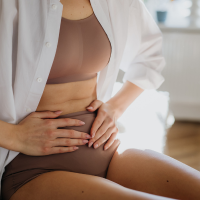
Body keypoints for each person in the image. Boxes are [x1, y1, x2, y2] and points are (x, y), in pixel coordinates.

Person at [0, 0, 200, 199]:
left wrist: (115, 107)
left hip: (107, 153)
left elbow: (149, 57)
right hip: (32, 169)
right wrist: (13, 135)